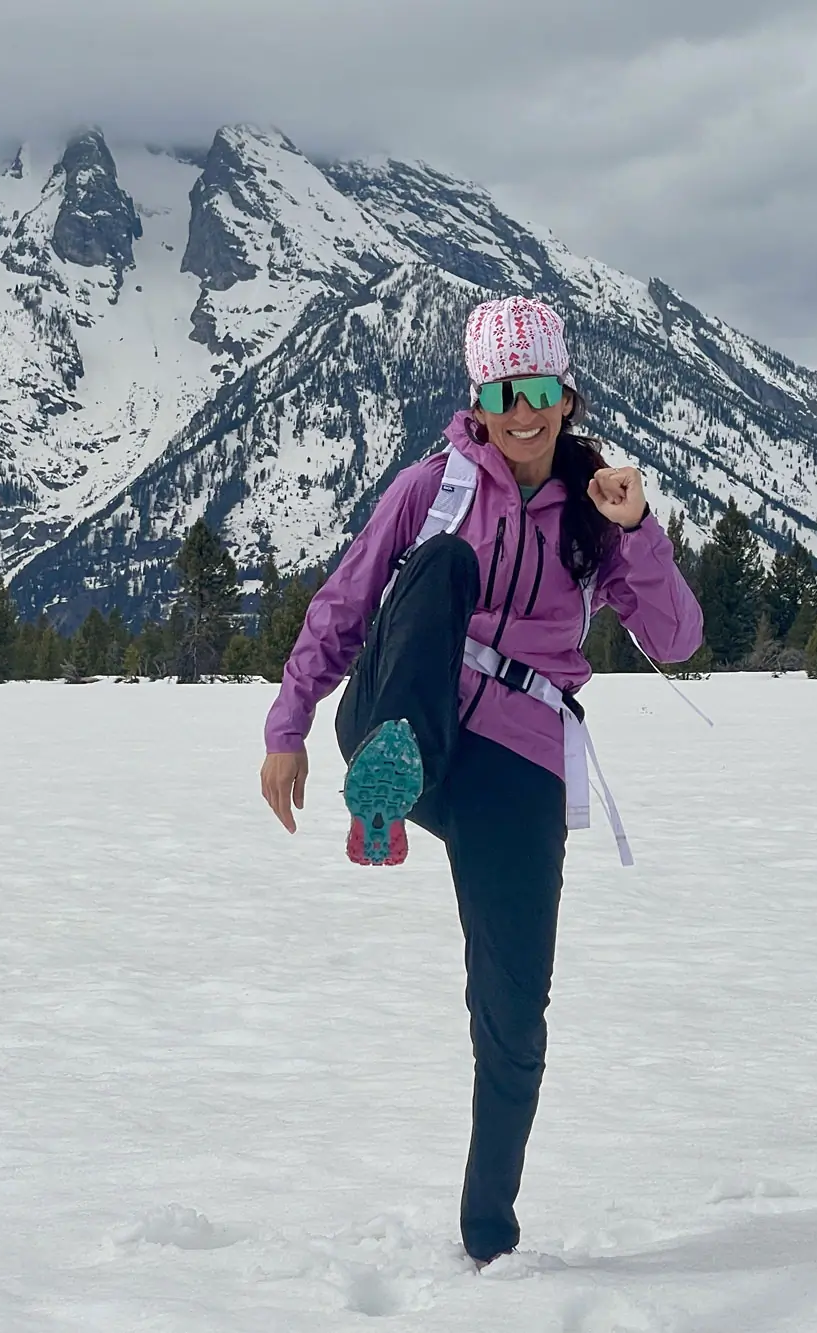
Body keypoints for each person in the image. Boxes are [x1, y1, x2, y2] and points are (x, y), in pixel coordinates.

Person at [258, 295, 703, 1265]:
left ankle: (486, 1235)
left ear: (565, 394)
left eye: (539, 389)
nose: (523, 410)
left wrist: (638, 530)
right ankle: (389, 777)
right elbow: (343, 605)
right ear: (480, 400)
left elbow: (675, 639)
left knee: (511, 1009)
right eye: (504, 393)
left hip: (515, 756)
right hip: (396, 710)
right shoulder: (434, 488)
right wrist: (287, 725)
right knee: (436, 567)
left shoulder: (596, 510)